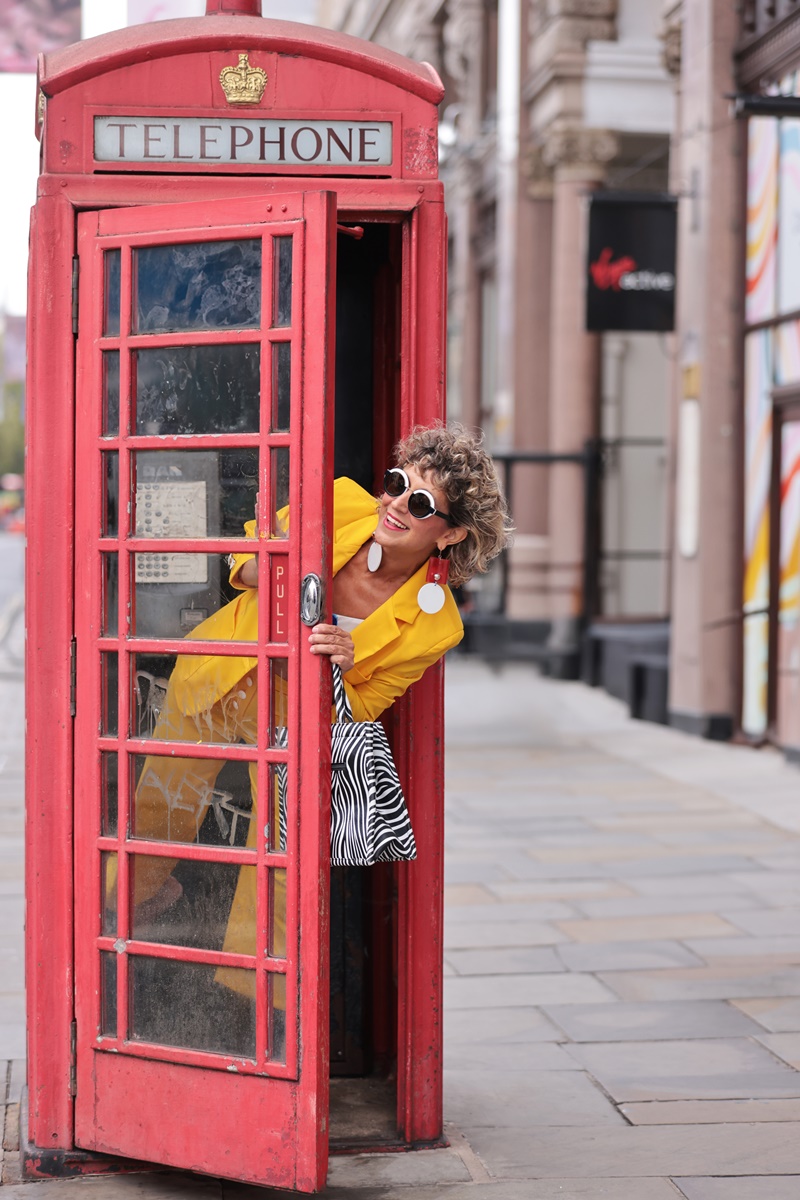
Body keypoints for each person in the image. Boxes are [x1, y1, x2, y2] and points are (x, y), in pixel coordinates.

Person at [118, 423, 512, 1038]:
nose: (397, 505)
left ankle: (249, 1020)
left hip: (295, 720)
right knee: (156, 810)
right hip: (218, 677)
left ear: (453, 533)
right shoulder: (342, 502)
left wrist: (348, 664)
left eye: (422, 504)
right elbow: (243, 562)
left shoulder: (437, 626)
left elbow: (365, 707)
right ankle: (115, 919)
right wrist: (293, 587)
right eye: (398, 484)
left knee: (276, 866)